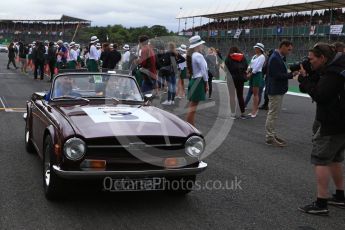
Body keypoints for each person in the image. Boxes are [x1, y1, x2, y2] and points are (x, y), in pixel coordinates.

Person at [298, 43, 345, 216]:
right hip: (341, 122)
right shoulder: (338, 67)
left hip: (332, 123)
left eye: (312, 59)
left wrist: (305, 79)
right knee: (334, 159)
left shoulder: (333, 73)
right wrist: (309, 78)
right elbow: (315, 89)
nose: (309, 62)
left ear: (323, 58)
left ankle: (321, 203)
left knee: (321, 159)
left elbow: (320, 95)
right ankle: (340, 196)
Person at [265, 40, 294, 146]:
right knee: (273, 114)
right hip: (275, 89)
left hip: (276, 89)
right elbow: (277, 75)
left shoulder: (277, 57)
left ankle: (272, 134)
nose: (289, 52)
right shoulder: (275, 58)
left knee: (274, 114)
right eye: (288, 49)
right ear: (282, 47)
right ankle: (269, 137)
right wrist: (291, 75)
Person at [186, 35, 209, 126]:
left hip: (194, 79)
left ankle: (190, 127)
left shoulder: (192, 55)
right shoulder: (198, 55)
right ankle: (190, 128)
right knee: (193, 108)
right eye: (201, 44)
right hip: (198, 81)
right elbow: (204, 71)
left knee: (192, 108)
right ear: (197, 45)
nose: (202, 46)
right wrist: (206, 83)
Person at [224, 46, 248, 119]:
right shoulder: (243, 57)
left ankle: (233, 114)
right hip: (240, 78)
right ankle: (243, 113)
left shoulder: (228, 57)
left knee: (232, 96)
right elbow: (246, 67)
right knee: (240, 95)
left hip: (231, 79)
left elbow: (225, 69)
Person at [246, 43, 266, 118]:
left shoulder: (262, 57)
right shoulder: (254, 56)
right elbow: (250, 64)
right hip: (252, 74)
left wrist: (250, 74)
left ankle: (255, 110)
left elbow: (257, 67)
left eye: (256, 48)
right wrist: (247, 71)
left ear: (260, 49)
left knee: (255, 94)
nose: (255, 49)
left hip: (257, 75)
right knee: (254, 93)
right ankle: (253, 110)